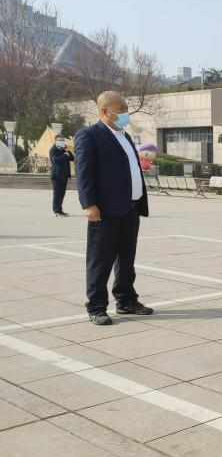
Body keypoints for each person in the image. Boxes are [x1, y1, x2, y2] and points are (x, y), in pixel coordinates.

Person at [74, 91, 152, 325]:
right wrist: (89, 203)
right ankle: (97, 306)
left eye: (126, 109)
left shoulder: (125, 136)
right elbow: (83, 172)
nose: (125, 114)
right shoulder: (89, 135)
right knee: (100, 259)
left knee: (126, 258)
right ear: (105, 111)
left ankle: (126, 299)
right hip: (105, 210)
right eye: (121, 110)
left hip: (130, 207)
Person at [49, 135, 74, 217]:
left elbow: (72, 158)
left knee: (62, 194)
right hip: (57, 175)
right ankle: (56, 211)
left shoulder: (64, 150)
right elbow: (55, 160)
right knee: (57, 193)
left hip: (64, 175)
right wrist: (65, 155)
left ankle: (60, 210)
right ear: (56, 141)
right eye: (60, 140)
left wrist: (68, 151)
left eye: (63, 140)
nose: (62, 142)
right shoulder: (53, 150)